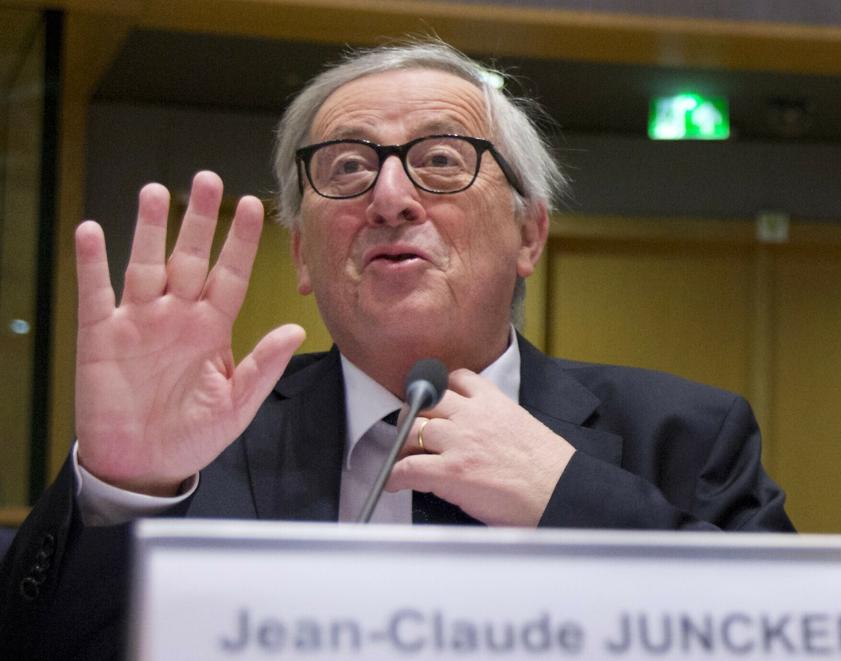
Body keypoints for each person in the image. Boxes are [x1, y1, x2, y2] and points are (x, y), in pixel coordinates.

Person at [0, 39, 793, 659]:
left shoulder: (683, 434)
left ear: (529, 232)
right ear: (303, 257)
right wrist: (124, 488)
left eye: (441, 161)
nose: (388, 198)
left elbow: (805, 640)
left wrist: (567, 497)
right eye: (345, 168)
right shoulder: (199, 448)